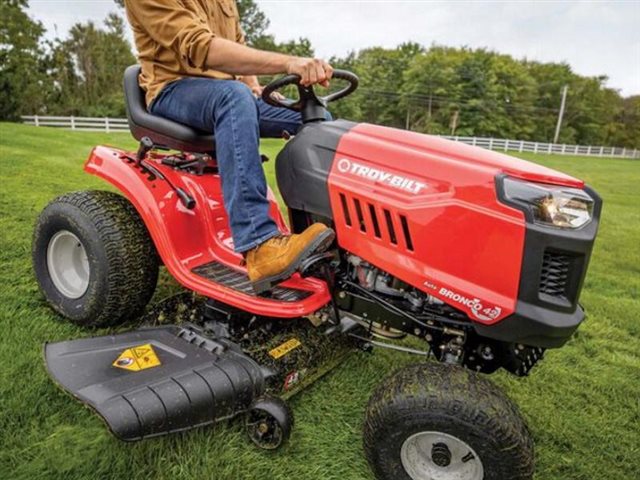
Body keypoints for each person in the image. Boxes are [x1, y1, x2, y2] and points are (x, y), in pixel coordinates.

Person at [123, 0, 336, 292]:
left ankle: (328, 238)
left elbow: (237, 42)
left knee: (317, 117)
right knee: (234, 98)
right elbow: (200, 47)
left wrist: (255, 87)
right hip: (173, 91)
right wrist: (289, 62)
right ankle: (259, 245)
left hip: (229, 92)